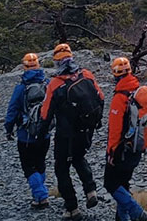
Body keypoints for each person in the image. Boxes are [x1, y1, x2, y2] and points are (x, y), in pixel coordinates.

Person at [41, 43, 105, 219]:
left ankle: (72, 208)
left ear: (56, 62)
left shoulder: (55, 84)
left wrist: (41, 132)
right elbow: (101, 97)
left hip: (65, 135)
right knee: (79, 158)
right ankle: (90, 190)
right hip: (86, 130)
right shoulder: (86, 75)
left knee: (62, 168)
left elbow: (45, 114)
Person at [104, 57, 147, 221]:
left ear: (115, 74)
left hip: (122, 149)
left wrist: (111, 152)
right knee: (123, 183)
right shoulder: (138, 91)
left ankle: (136, 212)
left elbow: (115, 129)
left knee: (110, 184)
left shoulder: (120, 97)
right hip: (136, 148)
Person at [4, 53, 51, 208]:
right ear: (38, 66)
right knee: (40, 163)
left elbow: (12, 111)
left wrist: (8, 129)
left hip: (26, 135)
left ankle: (41, 196)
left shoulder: (21, 88)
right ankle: (38, 196)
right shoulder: (47, 83)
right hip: (45, 133)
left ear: (24, 67)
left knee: (28, 166)